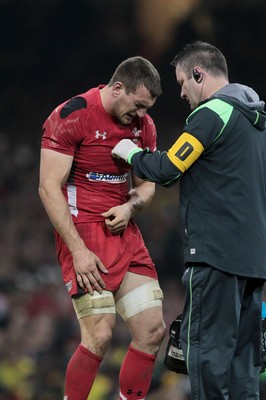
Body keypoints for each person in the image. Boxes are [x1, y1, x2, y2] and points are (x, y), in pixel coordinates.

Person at [112, 41, 266, 399]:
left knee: (207, 352)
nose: (182, 92)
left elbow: (169, 169)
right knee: (244, 359)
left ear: (199, 74)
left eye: (183, 82)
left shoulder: (214, 113)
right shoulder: (260, 124)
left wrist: (132, 154)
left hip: (216, 254)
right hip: (255, 259)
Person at [38, 56, 166, 400]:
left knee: (153, 330)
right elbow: (48, 187)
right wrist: (78, 251)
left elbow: (147, 186)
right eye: (137, 105)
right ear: (117, 88)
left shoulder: (144, 125)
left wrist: (129, 206)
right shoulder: (72, 115)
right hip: (83, 234)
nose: (141, 115)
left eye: (147, 108)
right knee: (100, 333)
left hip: (125, 232)